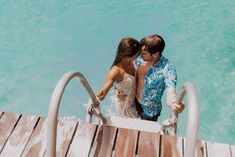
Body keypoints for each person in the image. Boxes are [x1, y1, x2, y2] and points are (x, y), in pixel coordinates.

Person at [118, 34, 184, 121]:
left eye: (144, 53)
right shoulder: (140, 58)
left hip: (150, 112)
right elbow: (125, 69)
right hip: (132, 102)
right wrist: (118, 87)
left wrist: (175, 104)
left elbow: (171, 92)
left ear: (156, 54)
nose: (140, 54)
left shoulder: (167, 69)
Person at [96, 37, 141, 118]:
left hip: (133, 101)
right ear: (128, 57)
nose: (139, 56)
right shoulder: (116, 71)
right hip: (125, 107)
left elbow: (118, 82)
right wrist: (97, 99)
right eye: (137, 55)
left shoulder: (131, 62)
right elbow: (103, 92)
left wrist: (116, 88)